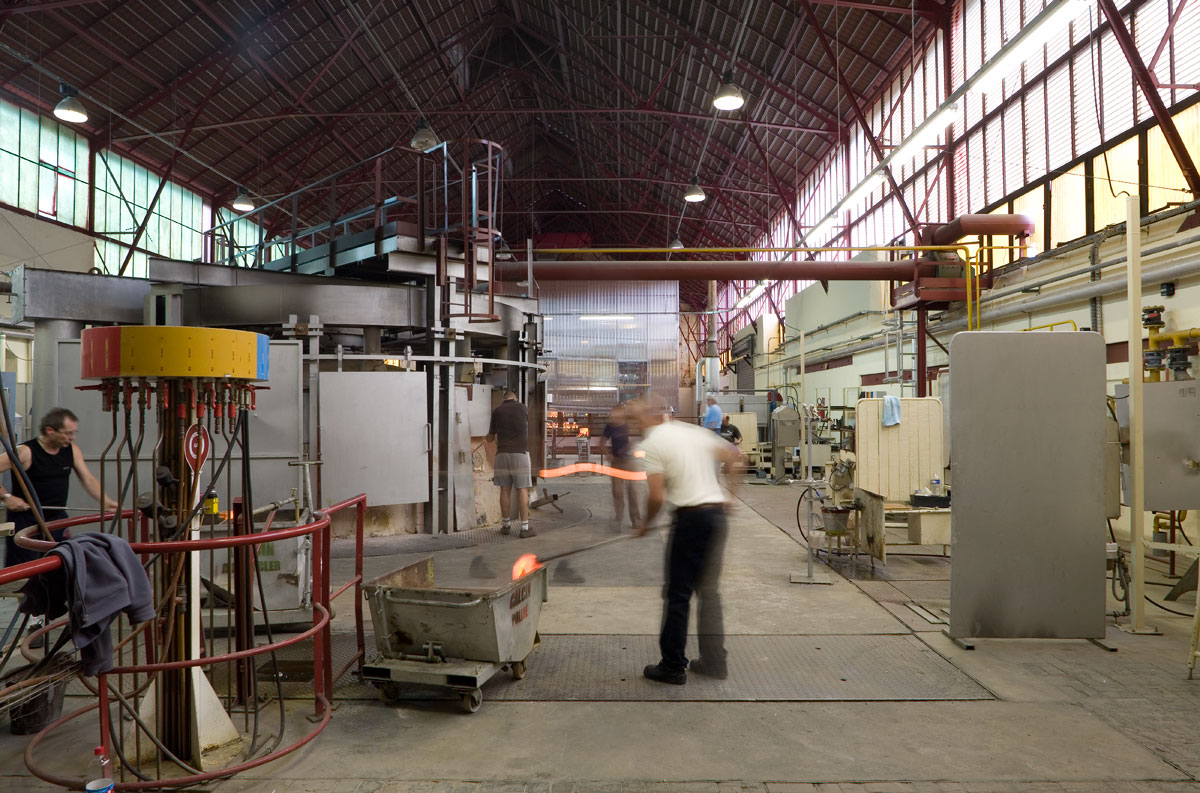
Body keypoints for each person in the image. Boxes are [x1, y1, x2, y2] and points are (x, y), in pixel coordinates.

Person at [632, 398, 743, 685]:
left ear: (645, 420)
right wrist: (731, 496)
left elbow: (656, 496)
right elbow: (736, 456)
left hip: (690, 520)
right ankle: (714, 661)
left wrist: (646, 524)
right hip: (716, 517)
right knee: (709, 592)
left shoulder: (653, 443)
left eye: (635, 421)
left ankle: (672, 666)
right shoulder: (691, 431)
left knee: (678, 595)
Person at [1, 407, 117, 567]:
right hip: (26, 520)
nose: (72, 438)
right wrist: (7, 497)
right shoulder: (26, 452)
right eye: (68, 433)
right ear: (50, 431)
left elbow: (88, 479)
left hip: (56, 519)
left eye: (74, 432)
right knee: (24, 573)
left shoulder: (71, 450)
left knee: (62, 566)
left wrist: (107, 502)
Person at [486, 390, 536, 539]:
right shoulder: (522, 408)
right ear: (515, 398)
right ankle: (524, 528)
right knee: (522, 490)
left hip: (502, 455)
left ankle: (506, 525)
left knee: (504, 490)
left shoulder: (497, 411)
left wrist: (486, 438)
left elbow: (490, 437)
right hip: (519, 453)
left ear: (504, 399)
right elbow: (532, 428)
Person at [600, 403, 641, 530]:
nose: (615, 415)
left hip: (630, 462)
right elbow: (602, 442)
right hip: (616, 462)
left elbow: (639, 438)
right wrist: (607, 454)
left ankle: (636, 519)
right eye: (613, 413)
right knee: (617, 492)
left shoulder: (629, 424)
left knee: (632, 491)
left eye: (617, 412)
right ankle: (618, 518)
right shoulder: (610, 426)